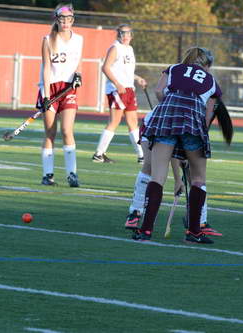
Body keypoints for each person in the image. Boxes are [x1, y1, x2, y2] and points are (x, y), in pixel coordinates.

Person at [131, 47, 232, 244]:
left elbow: (159, 91)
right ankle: (194, 232)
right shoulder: (210, 80)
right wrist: (195, 139)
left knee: (158, 176)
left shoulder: (174, 67)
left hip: (167, 115)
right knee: (198, 179)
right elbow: (208, 115)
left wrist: (170, 106)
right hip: (193, 119)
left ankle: (146, 230)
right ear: (205, 64)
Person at [125, 108, 223, 237]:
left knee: (195, 176)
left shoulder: (200, 115)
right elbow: (170, 154)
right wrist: (177, 180)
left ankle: (200, 222)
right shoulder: (182, 114)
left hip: (183, 128)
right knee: (150, 167)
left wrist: (185, 158)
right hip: (156, 126)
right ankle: (135, 212)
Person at [37, 3, 83, 187]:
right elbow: (47, 68)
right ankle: (48, 175)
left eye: (69, 19)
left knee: (66, 130)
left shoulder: (79, 39)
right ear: (57, 20)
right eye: (62, 19)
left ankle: (72, 174)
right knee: (50, 132)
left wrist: (78, 76)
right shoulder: (48, 40)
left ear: (73, 20)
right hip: (50, 88)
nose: (66, 22)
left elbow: (78, 62)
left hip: (69, 88)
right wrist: (46, 96)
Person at [92, 23, 147, 164]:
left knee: (133, 122)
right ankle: (99, 154)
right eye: (122, 33)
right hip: (118, 90)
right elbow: (105, 68)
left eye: (128, 33)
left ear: (131, 35)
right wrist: (117, 84)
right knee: (114, 122)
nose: (125, 36)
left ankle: (142, 156)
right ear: (119, 34)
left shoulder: (130, 49)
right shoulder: (115, 48)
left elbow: (125, 71)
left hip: (129, 89)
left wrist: (137, 78)